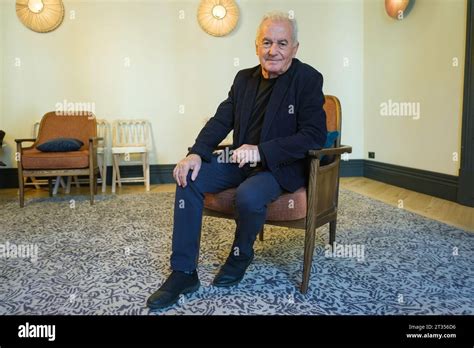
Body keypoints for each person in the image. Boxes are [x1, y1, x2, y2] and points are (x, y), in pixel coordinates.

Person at [147, 11, 327, 309]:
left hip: (278, 166)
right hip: (238, 159)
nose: (273, 50)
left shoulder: (308, 79)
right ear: (256, 45)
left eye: (282, 43)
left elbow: (313, 135)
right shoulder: (244, 79)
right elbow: (221, 120)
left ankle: (241, 253)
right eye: (267, 42)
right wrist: (195, 153)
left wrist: (262, 150)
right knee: (188, 178)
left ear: (295, 48)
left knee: (248, 195)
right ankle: (183, 272)